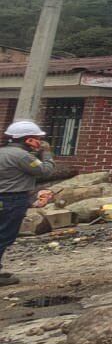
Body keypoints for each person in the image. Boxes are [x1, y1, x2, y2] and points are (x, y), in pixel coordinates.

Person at [0, 120, 55, 285]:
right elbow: (45, 171)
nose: (39, 142)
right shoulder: (22, 156)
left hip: (5, 197)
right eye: (37, 139)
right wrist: (46, 153)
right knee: (4, 236)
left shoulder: (3, 152)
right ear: (28, 139)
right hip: (12, 200)